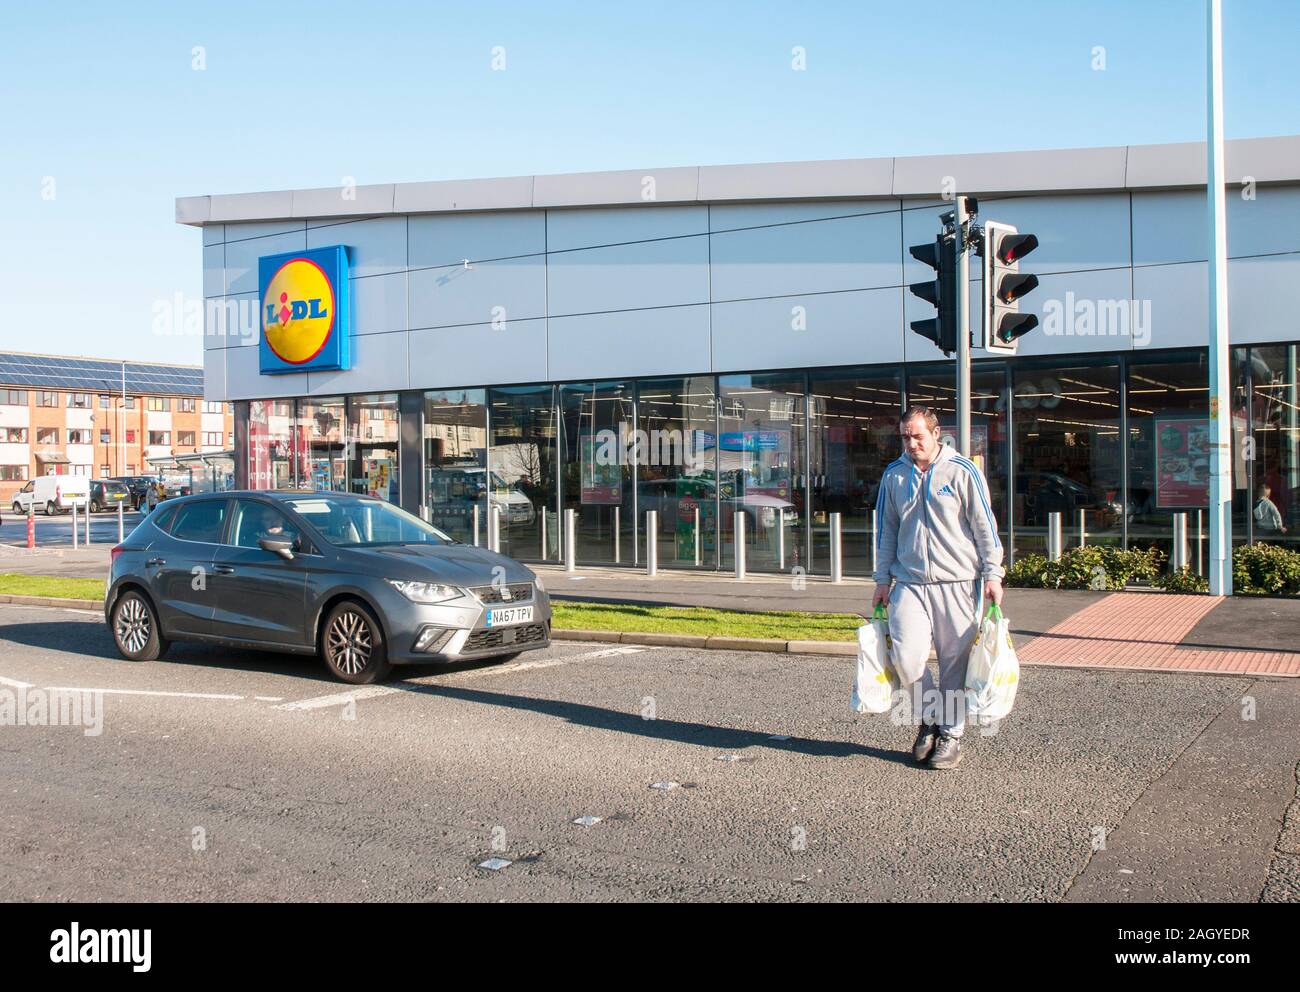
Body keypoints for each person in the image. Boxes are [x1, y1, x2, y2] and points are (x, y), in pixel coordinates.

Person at [872, 406, 1005, 770]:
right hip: (909, 582)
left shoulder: (962, 471)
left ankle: (950, 735)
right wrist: (882, 580)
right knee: (906, 658)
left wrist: (993, 575)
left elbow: (985, 527)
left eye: (917, 436)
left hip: (958, 582)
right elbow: (886, 531)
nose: (911, 443)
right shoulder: (894, 474)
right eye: (905, 437)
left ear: (935, 433)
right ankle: (930, 717)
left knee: (953, 665)